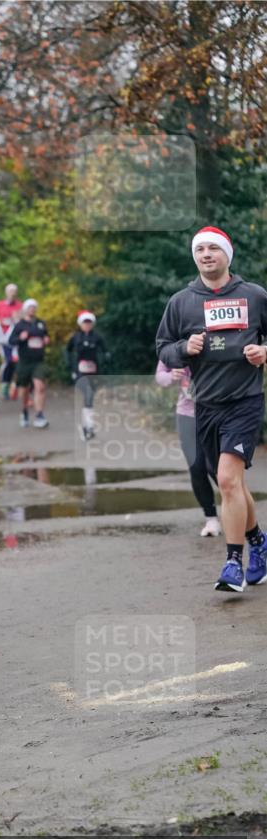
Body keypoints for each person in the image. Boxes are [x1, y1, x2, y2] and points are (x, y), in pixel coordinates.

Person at [156, 226, 267, 592]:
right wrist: (184, 348)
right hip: (204, 404)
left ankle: (233, 563)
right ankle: (259, 543)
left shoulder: (254, 296)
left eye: (213, 249)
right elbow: (163, 348)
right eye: (200, 249)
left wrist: (265, 353)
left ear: (227, 255)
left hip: (245, 400)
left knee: (227, 480)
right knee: (234, 483)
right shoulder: (181, 302)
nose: (206, 254)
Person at [155, 361, 220, 537]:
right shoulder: (175, 347)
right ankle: (211, 518)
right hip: (187, 415)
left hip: (215, 413)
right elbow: (160, 375)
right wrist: (172, 376)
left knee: (215, 468)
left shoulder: (211, 340)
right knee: (196, 467)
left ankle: (239, 508)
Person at [66, 310, 107, 441]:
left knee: (89, 398)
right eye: (85, 322)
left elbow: (105, 350)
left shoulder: (97, 337)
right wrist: (70, 366)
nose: (87, 325)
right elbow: (67, 351)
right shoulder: (75, 337)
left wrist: (106, 357)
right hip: (80, 372)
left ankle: (87, 426)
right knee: (88, 394)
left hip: (93, 372)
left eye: (89, 323)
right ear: (80, 324)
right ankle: (88, 427)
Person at [9, 298, 50, 428]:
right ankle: (24, 410)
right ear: (26, 309)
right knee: (24, 389)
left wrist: (46, 339)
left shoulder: (41, 323)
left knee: (40, 386)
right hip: (25, 362)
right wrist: (20, 338)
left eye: (34, 307)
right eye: (30, 307)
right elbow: (11, 341)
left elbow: (45, 335)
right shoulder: (20, 325)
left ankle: (39, 415)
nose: (32, 309)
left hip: (39, 361)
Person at [0, 283, 22, 398]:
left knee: (15, 363)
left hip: (14, 339)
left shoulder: (20, 305)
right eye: (10, 291)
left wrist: (17, 319)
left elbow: (23, 320)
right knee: (7, 362)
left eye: (14, 291)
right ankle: (4, 385)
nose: (13, 294)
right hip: (2, 339)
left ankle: (12, 386)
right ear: (6, 293)